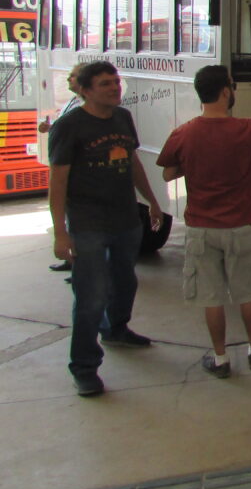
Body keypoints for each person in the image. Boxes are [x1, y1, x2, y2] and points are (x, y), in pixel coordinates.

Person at [156, 64, 251, 378]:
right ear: (225, 92)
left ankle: (220, 359)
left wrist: (193, 166)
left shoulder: (184, 133)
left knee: (212, 297)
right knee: (246, 294)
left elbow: (168, 172)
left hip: (201, 229)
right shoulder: (245, 128)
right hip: (240, 227)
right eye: (232, 86)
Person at [48, 61, 164, 397]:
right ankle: (84, 367)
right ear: (85, 90)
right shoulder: (69, 126)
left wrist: (152, 201)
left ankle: (117, 329)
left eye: (115, 82)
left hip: (125, 218)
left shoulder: (123, 117)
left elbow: (132, 162)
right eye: (104, 84)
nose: (114, 88)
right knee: (91, 295)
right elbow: (58, 182)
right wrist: (60, 232)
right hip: (87, 224)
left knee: (125, 281)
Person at [43, 63, 87, 273]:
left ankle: (79, 266)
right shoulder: (73, 102)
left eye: (73, 76)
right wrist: (52, 128)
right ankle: (73, 262)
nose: (69, 79)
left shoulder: (86, 108)